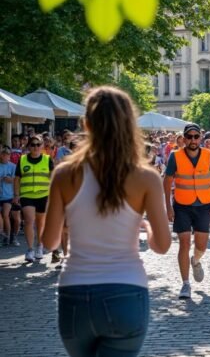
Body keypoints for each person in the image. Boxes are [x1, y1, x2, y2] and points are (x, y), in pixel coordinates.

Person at [41, 86, 171, 357]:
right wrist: (144, 226)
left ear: (86, 124)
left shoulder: (65, 173)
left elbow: (49, 242)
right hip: (126, 289)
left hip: (75, 292)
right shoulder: (146, 178)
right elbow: (162, 246)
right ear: (129, 125)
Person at [163, 123, 210, 299]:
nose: (193, 140)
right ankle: (185, 284)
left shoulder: (209, 155)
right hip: (182, 205)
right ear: (184, 138)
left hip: (204, 204)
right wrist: (168, 207)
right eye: (190, 137)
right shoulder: (175, 156)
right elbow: (167, 182)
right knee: (184, 243)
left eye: (196, 137)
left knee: (201, 245)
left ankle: (195, 261)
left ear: (201, 138)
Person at [13, 134, 54, 262]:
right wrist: (16, 195)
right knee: (29, 221)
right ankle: (30, 249)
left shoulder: (47, 159)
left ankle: (39, 246)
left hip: (43, 195)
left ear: (42, 146)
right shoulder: (22, 159)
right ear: (28, 146)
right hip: (27, 195)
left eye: (38, 144)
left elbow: (53, 178)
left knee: (40, 223)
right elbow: (17, 179)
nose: (35, 147)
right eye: (33, 145)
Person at [1, 147, 18, 246]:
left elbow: (16, 180)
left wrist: (9, 179)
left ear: (9, 156)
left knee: (6, 214)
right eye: (3, 153)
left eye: (7, 154)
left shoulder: (13, 166)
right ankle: (4, 236)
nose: (5, 155)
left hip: (9, 195)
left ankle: (8, 236)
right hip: (0, 195)